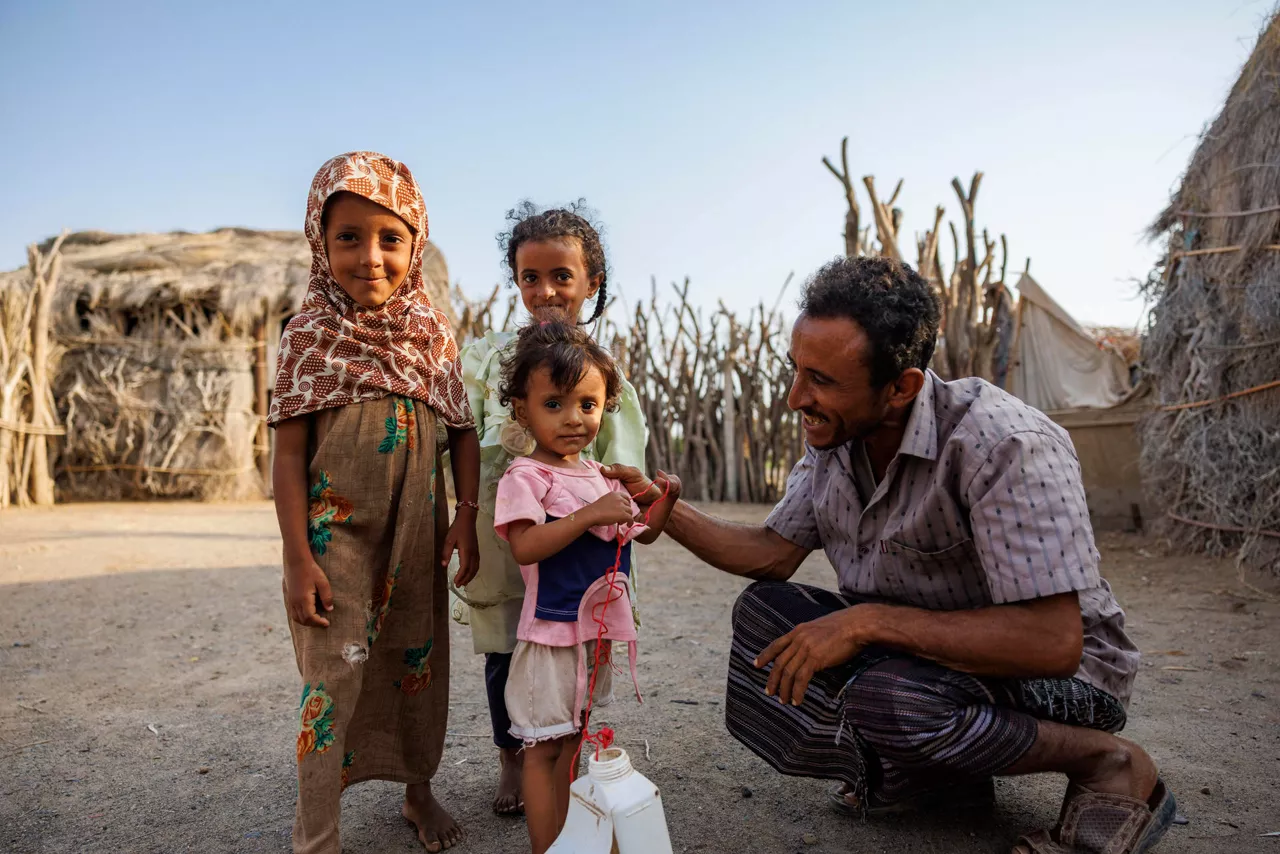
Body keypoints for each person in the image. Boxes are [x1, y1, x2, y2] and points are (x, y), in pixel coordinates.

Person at [615, 256, 1177, 854]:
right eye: (796, 371)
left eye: (822, 381)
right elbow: (771, 554)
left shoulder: (1005, 443)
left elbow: (1052, 643)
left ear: (901, 387)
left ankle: (1109, 763)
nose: (794, 398)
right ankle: (941, 777)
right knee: (766, 618)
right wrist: (664, 508)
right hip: (925, 661)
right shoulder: (839, 441)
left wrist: (865, 621)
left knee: (890, 700)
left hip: (1064, 674)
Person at [269, 151, 480, 854]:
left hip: (421, 534)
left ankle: (419, 793)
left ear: (415, 246)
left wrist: (469, 518)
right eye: (348, 237)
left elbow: (464, 430)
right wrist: (298, 558)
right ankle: (317, 835)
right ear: (320, 245)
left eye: (391, 238)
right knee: (330, 680)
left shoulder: (433, 336)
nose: (371, 256)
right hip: (336, 542)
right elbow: (289, 456)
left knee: (418, 661)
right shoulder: (308, 337)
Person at [452, 203, 648, 816]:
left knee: (573, 643)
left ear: (592, 282)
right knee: (505, 644)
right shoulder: (488, 359)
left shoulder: (602, 376)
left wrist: (637, 502)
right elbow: (463, 440)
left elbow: (620, 467)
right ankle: (514, 756)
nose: (546, 292)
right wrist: (462, 517)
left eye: (562, 276)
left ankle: (565, 749)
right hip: (505, 526)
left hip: (582, 546)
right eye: (530, 277)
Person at [491, 318, 676, 854]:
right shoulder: (525, 476)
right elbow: (525, 546)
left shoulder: (598, 474)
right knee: (540, 750)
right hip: (549, 636)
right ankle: (546, 847)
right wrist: (587, 513)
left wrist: (664, 499)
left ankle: (577, 842)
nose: (574, 419)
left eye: (587, 405)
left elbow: (641, 536)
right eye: (554, 405)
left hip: (592, 639)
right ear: (523, 409)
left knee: (574, 741)